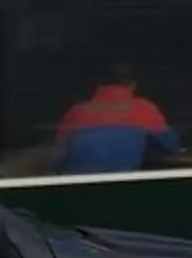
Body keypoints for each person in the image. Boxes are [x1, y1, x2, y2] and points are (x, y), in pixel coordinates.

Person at [55, 64, 184, 175]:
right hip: (122, 191)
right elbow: (171, 145)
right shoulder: (143, 109)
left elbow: (57, 154)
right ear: (133, 85)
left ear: (98, 84)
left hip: (75, 193)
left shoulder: (77, 112)